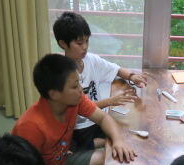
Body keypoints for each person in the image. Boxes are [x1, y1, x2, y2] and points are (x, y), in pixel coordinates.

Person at [12, 53, 137, 165]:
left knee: (112, 163)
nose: (81, 89)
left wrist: (118, 141)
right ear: (54, 94)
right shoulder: (31, 126)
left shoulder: (75, 100)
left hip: (62, 161)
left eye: (79, 82)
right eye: (74, 86)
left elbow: (103, 118)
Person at [53, 11, 148, 150]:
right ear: (63, 44)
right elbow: (80, 109)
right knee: (114, 142)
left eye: (87, 41)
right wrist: (110, 101)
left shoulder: (90, 60)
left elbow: (115, 69)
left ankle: (102, 143)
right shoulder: (63, 75)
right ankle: (91, 146)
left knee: (127, 133)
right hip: (81, 127)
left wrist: (132, 76)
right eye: (79, 43)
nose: (85, 47)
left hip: (99, 118)